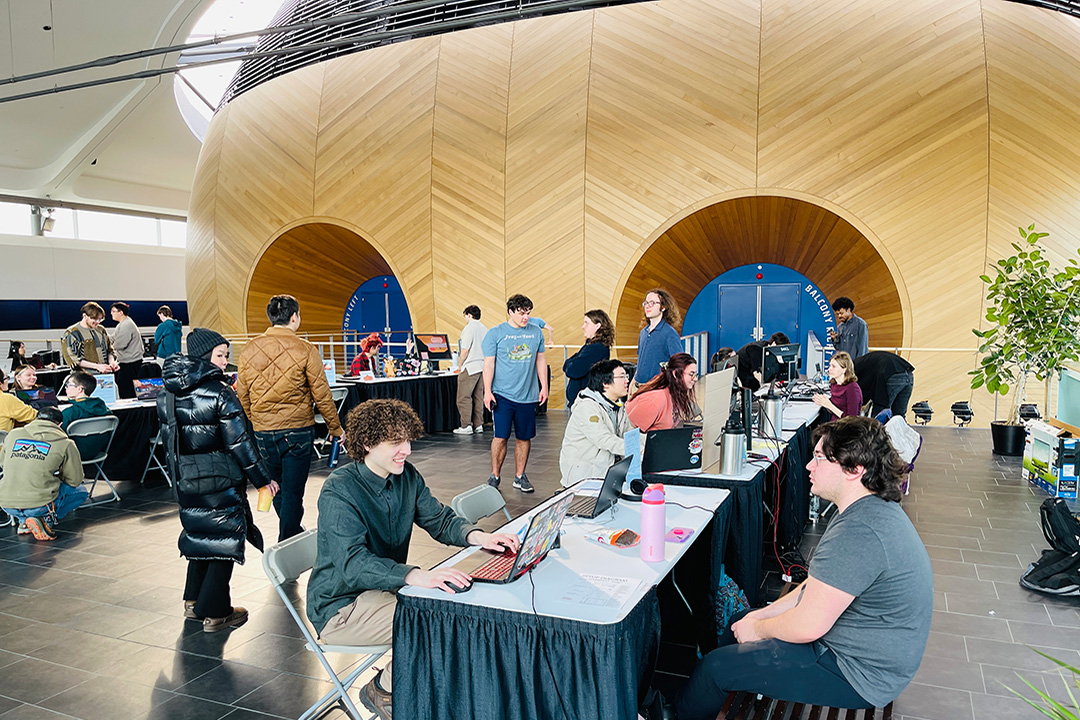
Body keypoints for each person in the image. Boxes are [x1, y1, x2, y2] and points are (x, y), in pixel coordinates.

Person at [676, 416, 933, 719]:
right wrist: (757, 617)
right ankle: (729, 687)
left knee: (715, 669)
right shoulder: (866, 509)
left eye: (821, 459)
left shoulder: (859, 532)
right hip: (864, 652)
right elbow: (812, 587)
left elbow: (809, 626)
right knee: (740, 619)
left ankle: (686, 708)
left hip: (858, 674)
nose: (809, 466)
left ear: (854, 470)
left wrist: (758, 629)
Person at [307, 398, 519, 720]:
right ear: (366, 443)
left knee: (449, 613)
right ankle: (385, 689)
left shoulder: (406, 476)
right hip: (341, 607)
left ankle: (411, 689)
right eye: (395, 442)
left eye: (407, 440)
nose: (406, 449)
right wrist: (417, 575)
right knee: (436, 621)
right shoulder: (340, 490)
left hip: (383, 592)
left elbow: (440, 520)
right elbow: (353, 564)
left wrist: (481, 537)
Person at [158, 328, 279, 632]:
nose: (225, 361)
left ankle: (192, 600)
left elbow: (169, 440)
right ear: (203, 356)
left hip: (185, 476)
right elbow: (240, 443)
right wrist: (262, 479)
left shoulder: (167, 393)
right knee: (223, 539)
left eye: (226, 355)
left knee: (200, 533)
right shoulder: (219, 392)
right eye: (220, 355)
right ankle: (215, 611)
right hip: (220, 477)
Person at [237, 294, 344, 541]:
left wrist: (257, 419)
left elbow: (241, 393)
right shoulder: (306, 349)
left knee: (276, 487)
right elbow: (322, 394)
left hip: (263, 432)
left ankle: (290, 531)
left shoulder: (250, 348)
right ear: (294, 317)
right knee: (293, 491)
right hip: (298, 430)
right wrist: (335, 428)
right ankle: (288, 538)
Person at [482, 293, 548, 493]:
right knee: (500, 437)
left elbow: (540, 360)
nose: (525, 317)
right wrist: (487, 392)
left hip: (528, 395)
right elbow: (489, 364)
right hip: (502, 394)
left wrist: (544, 386)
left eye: (528, 313)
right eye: (521, 313)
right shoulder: (495, 333)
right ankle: (495, 475)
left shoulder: (536, 333)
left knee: (524, 437)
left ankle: (520, 476)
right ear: (510, 312)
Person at [0, 406, 87, 541]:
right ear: (60, 425)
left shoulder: (13, 434)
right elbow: (75, 480)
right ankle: (45, 519)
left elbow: (2, 464)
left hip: (6, 503)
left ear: (36, 419)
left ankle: (24, 521)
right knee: (81, 492)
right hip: (39, 504)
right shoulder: (66, 443)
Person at [559, 359, 632, 486]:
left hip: (607, 470)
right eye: (622, 377)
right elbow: (603, 439)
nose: (627, 381)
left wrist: (649, 443)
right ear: (605, 383)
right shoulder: (587, 407)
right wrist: (636, 448)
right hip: (584, 476)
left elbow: (629, 433)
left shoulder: (617, 405)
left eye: (627, 376)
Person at [625, 352, 700, 431]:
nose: (695, 379)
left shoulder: (675, 395)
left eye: (695, 375)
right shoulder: (655, 399)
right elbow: (629, 433)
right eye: (691, 374)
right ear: (675, 374)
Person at [562, 309, 614, 408]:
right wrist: (570, 362)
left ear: (597, 326)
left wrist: (570, 362)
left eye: (586, 323)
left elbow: (573, 370)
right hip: (581, 402)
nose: (583, 326)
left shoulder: (596, 348)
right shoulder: (590, 345)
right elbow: (569, 364)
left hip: (586, 403)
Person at [633, 289, 683, 388]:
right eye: (646, 303)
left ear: (663, 307)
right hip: (638, 386)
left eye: (652, 303)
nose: (648, 306)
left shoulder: (670, 333)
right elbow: (640, 361)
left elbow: (678, 363)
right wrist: (633, 381)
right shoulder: (643, 332)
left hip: (656, 388)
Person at [60, 372, 113, 459]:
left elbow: (57, 435)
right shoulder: (105, 410)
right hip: (97, 451)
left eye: (68, 385)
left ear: (80, 389)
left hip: (73, 454)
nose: (66, 388)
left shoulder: (70, 413)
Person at [454, 305, 487, 434]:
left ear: (468, 315)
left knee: (463, 397)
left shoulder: (469, 328)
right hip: (482, 366)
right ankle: (479, 425)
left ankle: (466, 425)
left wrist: (460, 364)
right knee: (478, 397)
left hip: (470, 366)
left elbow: (465, 350)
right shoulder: (484, 329)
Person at [853, 351, 916, 419]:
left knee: (880, 414)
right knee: (899, 417)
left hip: (891, 375)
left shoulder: (851, 370)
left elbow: (859, 393)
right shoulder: (862, 362)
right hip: (908, 374)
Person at [61, 302, 119, 374]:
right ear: (84, 316)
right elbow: (73, 359)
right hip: (83, 377)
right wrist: (97, 366)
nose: (97, 322)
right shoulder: (72, 333)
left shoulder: (101, 330)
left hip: (105, 376)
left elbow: (110, 350)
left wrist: (112, 363)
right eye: (94, 319)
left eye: (100, 319)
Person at [813, 352, 863, 420]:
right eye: (830, 365)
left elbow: (852, 419)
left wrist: (829, 405)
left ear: (844, 369)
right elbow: (835, 410)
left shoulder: (852, 388)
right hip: (834, 423)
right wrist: (823, 402)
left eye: (834, 366)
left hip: (844, 427)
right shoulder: (834, 384)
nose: (829, 369)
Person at [109, 302, 143, 399]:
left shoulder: (126, 325)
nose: (111, 313)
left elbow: (120, 344)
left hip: (130, 363)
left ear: (121, 312)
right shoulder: (122, 324)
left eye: (113, 311)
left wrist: (111, 348)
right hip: (127, 362)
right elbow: (113, 338)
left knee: (126, 391)